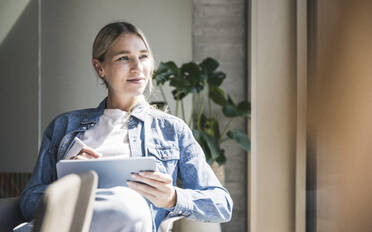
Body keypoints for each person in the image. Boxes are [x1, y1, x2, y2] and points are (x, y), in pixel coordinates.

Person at [17, 22, 233, 232]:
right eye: (124, 58)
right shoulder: (64, 126)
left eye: (143, 56)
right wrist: (70, 185)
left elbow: (221, 204)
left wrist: (173, 197)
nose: (137, 67)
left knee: (129, 204)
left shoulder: (172, 130)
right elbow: (28, 202)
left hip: (131, 220)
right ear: (99, 67)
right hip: (67, 225)